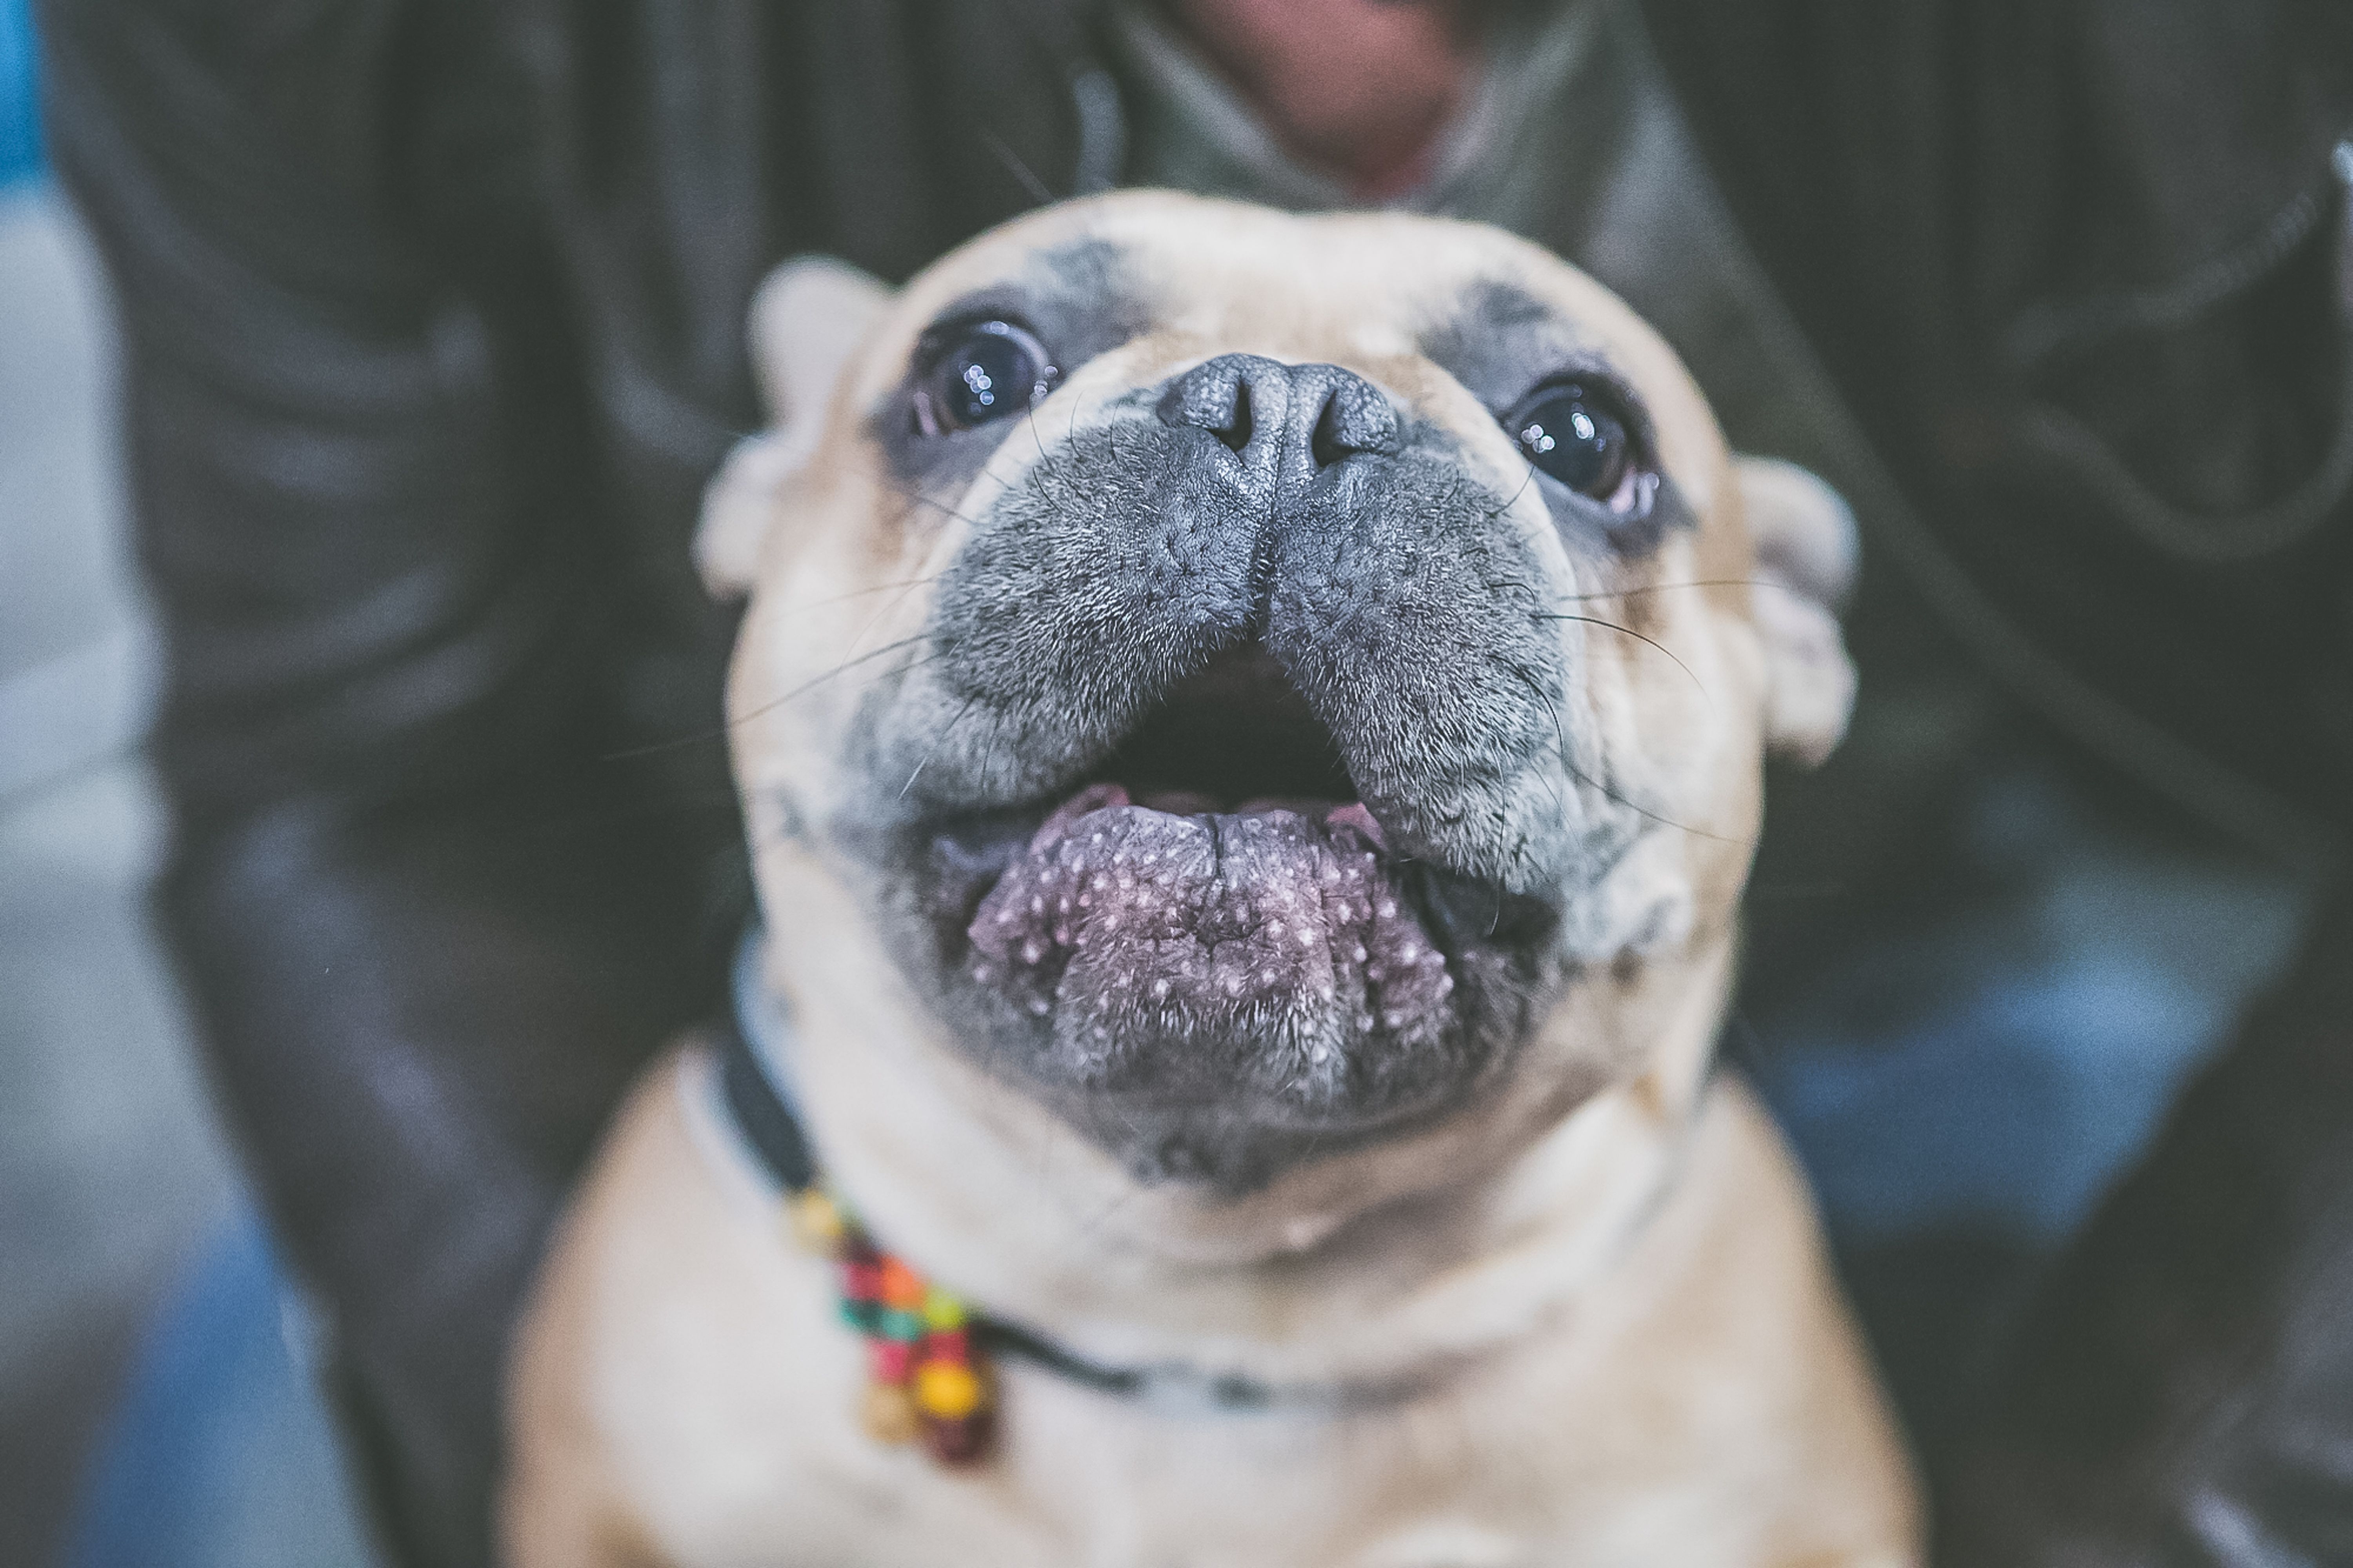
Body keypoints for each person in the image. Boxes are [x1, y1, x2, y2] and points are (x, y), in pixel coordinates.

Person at [36, 0, 2353, 1563]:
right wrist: (612, 1383)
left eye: (1569, 449)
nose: (1283, 435)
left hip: (1964, 917)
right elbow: (353, 760)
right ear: (762, 510)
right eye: (979, 386)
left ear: (1784, 647)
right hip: (827, 1148)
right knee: (237, 1482)